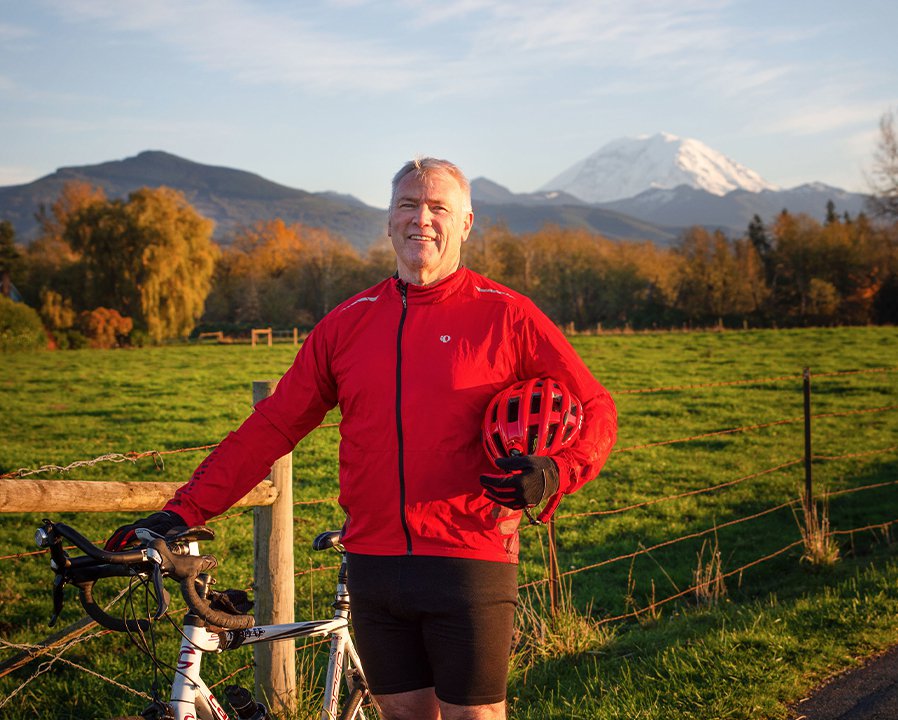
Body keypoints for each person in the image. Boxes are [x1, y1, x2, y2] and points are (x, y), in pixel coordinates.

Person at [107, 157, 617, 720]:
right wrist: (181, 512)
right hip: (373, 563)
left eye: (438, 207)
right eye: (407, 204)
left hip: (469, 560)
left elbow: (595, 407)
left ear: (466, 223)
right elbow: (273, 425)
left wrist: (555, 471)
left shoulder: (507, 315)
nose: (421, 219)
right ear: (389, 220)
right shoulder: (348, 322)